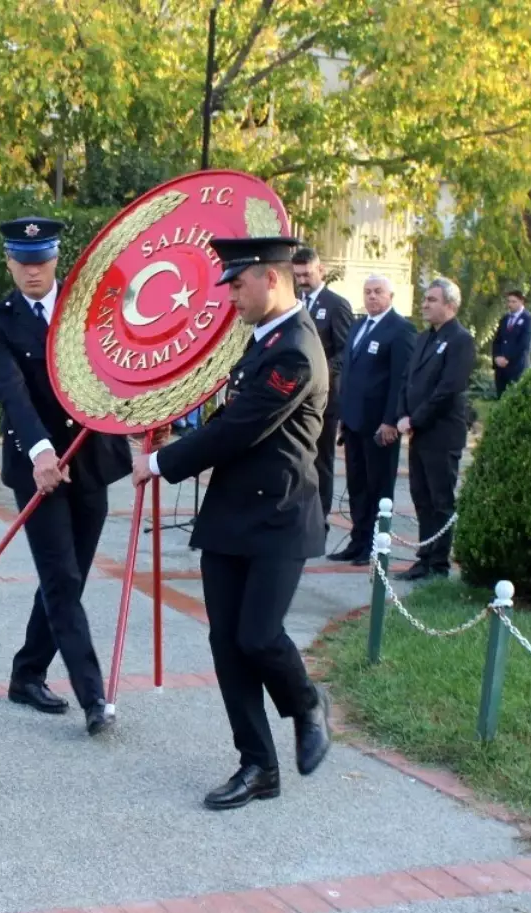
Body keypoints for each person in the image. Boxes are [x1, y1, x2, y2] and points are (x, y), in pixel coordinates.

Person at [132, 235, 332, 810]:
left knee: (259, 636)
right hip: (231, 518)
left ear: (271, 279)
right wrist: (177, 434)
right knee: (227, 644)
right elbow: (224, 416)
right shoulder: (262, 342)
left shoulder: (295, 350)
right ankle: (258, 765)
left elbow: (241, 429)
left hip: (278, 518)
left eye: (238, 284)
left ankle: (306, 703)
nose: (230, 297)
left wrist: (159, 463)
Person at [0, 217, 133, 736]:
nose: (31, 271)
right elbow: (13, 394)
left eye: (40, 260)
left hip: (90, 460)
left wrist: (152, 414)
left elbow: (123, 365)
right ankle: (94, 697)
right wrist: (41, 452)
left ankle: (27, 673)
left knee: (69, 578)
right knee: (62, 580)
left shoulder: (88, 308)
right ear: (9, 263)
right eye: (21, 262)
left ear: (56, 259)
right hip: (37, 467)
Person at [328, 275, 416, 566]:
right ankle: (358, 540)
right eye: (367, 292)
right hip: (354, 422)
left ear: (391, 296)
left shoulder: (400, 330)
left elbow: (400, 381)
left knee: (378, 487)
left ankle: (376, 545)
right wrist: (343, 416)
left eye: (378, 292)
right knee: (357, 485)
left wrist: (391, 420)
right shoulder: (358, 326)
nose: (372, 297)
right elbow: (351, 375)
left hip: (380, 425)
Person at [396, 277, 476, 581]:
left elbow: (448, 390)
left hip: (441, 433)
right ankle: (424, 558)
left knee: (440, 499)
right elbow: (408, 380)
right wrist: (402, 414)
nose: (424, 304)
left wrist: (414, 419)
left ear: (450, 306)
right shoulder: (423, 338)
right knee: (422, 497)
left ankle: (439, 564)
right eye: (425, 299)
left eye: (432, 300)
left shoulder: (460, 340)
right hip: (419, 433)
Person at [290, 246, 353, 537]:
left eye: (307, 273)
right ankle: (299, 514)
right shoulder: (293, 303)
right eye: (298, 274)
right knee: (296, 459)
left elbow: (345, 352)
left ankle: (320, 520)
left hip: (324, 399)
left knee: (321, 461)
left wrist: (319, 372)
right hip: (293, 398)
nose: (302, 279)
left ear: (321, 270)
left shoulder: (336, 304)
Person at [491, 289, 531, 395]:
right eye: (508, 301)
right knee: (501, 399)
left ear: (521, 302)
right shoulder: (505, 319)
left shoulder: (528, 319)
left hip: (517, 368)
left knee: (514, 399)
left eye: (513, 301)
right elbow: (497, 341)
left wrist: (507, 358)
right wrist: (496, 357)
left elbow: (524, 344)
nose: (510, 304)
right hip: (501, 370)